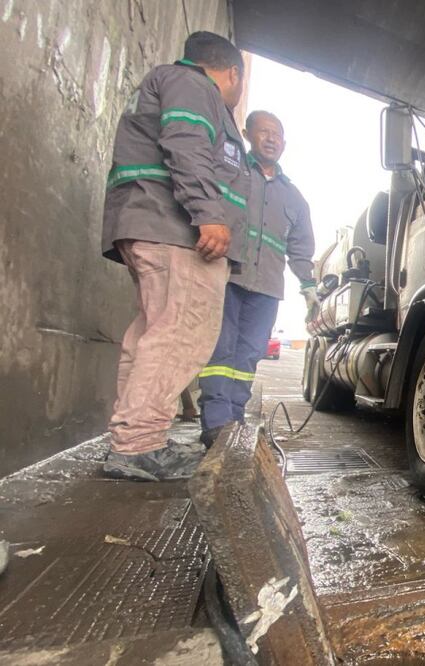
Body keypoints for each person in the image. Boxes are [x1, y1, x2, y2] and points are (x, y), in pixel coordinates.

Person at [100, 32, 250, 481]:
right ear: (232, 73)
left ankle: (131, 439)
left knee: (153, 333)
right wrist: (208, 214)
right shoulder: (194, 87)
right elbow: (185, 145)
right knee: (180, 332)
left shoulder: (169, 83)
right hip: (173, 229)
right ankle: (138, 445)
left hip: (152, 224)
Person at [198, 110, 317, 446]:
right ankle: (215, 423)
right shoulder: (231, 174)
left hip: (266, 287)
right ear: (248, 134)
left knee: (248, 355)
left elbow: (300, 247)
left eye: (277, 134)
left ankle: (232, 419)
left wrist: (308, 287)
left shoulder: (294, 198)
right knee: (220, 351)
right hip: (226, 276)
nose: (271, 139)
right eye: (264, 131)